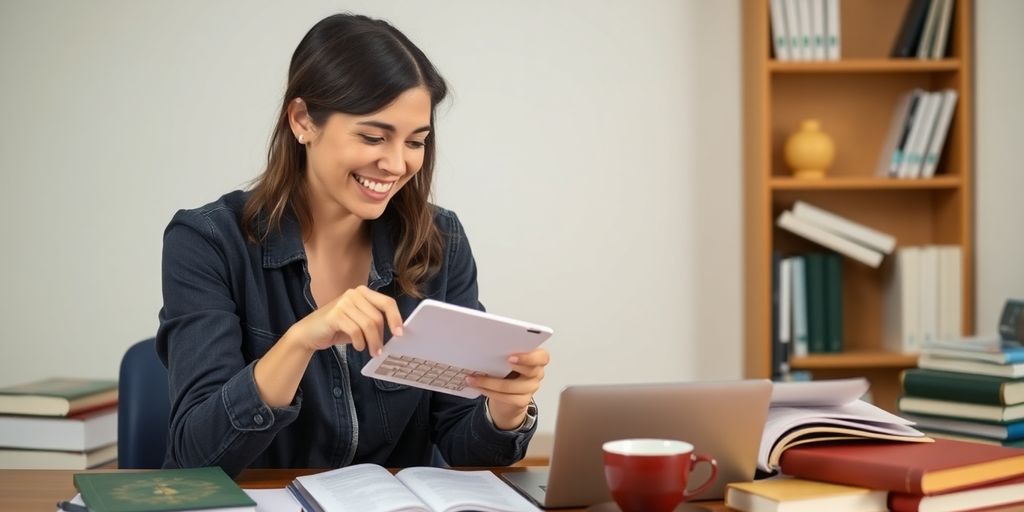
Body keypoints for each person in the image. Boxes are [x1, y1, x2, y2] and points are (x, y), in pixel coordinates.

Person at [157, 13, 549, 477]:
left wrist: (505, 411)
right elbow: (193, 457)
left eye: (416, 142)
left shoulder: (439, 242)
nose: (397, 164)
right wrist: (300, 341)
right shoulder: (208, 242)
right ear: (303, 120)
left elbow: (463, 444)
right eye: (372, 137)